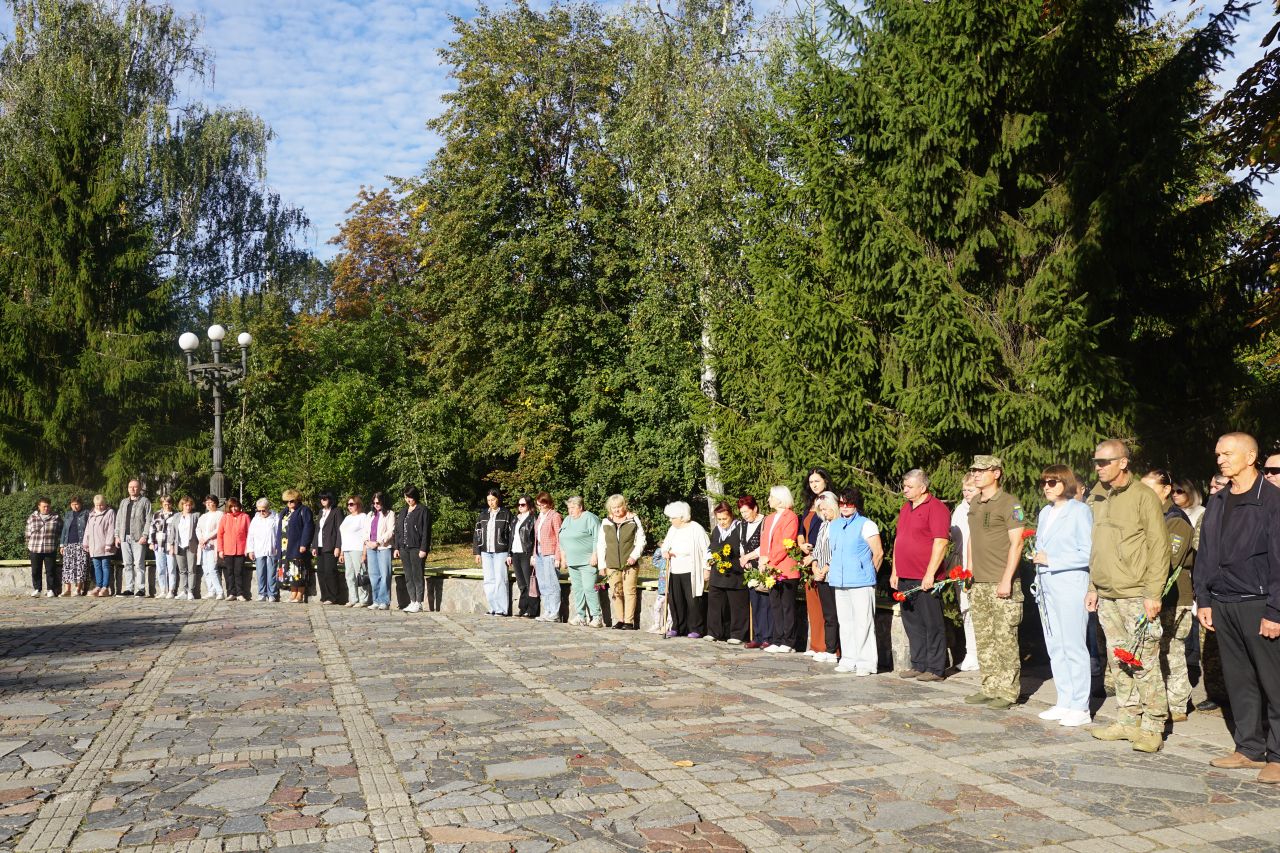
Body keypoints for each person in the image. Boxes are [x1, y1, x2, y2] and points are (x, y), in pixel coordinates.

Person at [1196, 432, 1280, 784]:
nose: (1220, 459)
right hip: (1223, 602)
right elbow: (1206, 552)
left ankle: (1278, 755)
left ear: (1250, 457)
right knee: (1239, 679)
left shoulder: (1272, 500)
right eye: (1218, 454)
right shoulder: (1218, 500)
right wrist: (1204, 598)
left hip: (1259, 604)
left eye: (1228, 453)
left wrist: (1275, 610)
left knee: (1274, 682)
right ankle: (1249, 748)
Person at [1086, 440, 1171, 754]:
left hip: (1136, 594)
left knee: (1144, 661)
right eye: (1096, 462)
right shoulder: (1097, 496)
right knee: (1118, 660)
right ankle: (1127, 719)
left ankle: (1153, 726)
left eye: (1104, 462)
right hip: (1107, 594)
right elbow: (1097, 547)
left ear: (1123, 462)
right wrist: (1093, 586)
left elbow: (1159, 546)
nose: (1098, 467)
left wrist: (1153, 592)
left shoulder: (1142, 496)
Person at [1029, 466, 1094, 728]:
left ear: (1065, 483)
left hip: (1070, 583)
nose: (1046, 486)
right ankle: (1064, 700)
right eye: (1044, 482)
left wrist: (1052, 560)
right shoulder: (1045, 512)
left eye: (1052, 482)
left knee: (1073, 645)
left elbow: (1087, 552)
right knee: (1055, 645)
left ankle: (1081, 706)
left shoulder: (1080, 511)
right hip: (1046, 583)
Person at [963, 455, 1026, 710]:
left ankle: (1008, 691)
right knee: (984, 638)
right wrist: (969, 571)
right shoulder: (975, 502)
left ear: (996, 473)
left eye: (982, 470)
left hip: (1002, 582)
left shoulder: (1010, 503)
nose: (976, 474)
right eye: (974, 470)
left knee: (1005, 639)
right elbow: (972, 537)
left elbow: (1017, 543)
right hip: (979, 582)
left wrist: (1006, 579)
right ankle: (989, 687)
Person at [1141, 469, 1197, 723]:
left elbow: (1170, 560)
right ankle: (1160, 701)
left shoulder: (1175, 520)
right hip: (1154, 593)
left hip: (1175, 596)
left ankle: (1177, 704)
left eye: (1149, 489)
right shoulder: (1149, 516)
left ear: (1166, 490)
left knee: (1172, 649)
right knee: (1157, 650)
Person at [891, 469, 953, 682]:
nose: (905, 490)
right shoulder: (905, 508)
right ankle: (919, 664)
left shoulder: (936, 508)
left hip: (925, 577)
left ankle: (936, 668)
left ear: (923, 487)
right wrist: (895, 570)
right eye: (904, 486)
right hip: (905, 575)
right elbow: (899, 540)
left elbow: (941, 542)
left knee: (931, 623)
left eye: (909, 486)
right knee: (912, 623)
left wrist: (930, 574)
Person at [827, 488, 884, 674]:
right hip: (840, 580)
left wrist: (868, 574)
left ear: (856, 504)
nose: (844, 507)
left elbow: (878, 553)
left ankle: (866, 663)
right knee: (845, 622)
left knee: (863, 623)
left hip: (861, 582)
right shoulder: (834, 525)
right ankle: (848, 659)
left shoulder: (867, 525)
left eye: (849, 503)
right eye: (841, 503)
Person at [799, 469, 838, 659]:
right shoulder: (809, 505)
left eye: (817, 481)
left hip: (822, 560)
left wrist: (813, 555)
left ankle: (828, 646)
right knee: (813, 604)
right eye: (811, 482)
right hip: (809, 559)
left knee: (827, 607)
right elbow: (801, 529)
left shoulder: (831, 502)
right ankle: (816, 644)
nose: (814, 485)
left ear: (825, 481)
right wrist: (801, 544)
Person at [760, 485, 801, 653]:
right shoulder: (769, 518)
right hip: (771, 567)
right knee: (775, 605)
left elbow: (786, 542)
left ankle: (789, 641)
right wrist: (763, 560)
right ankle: (777, 639)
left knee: (787, 606)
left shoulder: (791, 517)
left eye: (771, 496)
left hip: (786, 568)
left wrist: (770, 559)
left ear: (780, 498)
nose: (768, 499)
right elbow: (764, 541)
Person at [661, 501, 710, 639]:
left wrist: (707, 568)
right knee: (676, 600)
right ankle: (677, 627)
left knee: (693, 601)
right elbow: (665, 545)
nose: (670, 520)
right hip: (675, 570)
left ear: (682, 517)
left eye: (673, 518)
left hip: (691, 570)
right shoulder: (672, 529)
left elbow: (707, 550)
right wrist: (665, 552)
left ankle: (696, 628)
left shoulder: (696, 529)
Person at [597, 495, 646, 630]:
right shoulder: (605, 522)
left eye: (619, 506)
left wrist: (634, 556)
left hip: (630, 563)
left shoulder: (633, 519)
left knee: (629, 591)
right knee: (616, 592)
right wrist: (602, 565)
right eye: (614, 507)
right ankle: (620, 619)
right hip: (612, 563)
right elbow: (601, 545)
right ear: (610, 508)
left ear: (624, 506)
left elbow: (641, 540)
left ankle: (629, 622)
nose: (617, 510)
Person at [950, 476, 981, 671]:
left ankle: (982, 653)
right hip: (961, 567)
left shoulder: (984, 508)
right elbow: (955, 538)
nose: (967, 494)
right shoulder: (960, 510)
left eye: (971, 490)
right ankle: (972, 653)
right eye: (964, 490)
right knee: (966, 609)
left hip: (982, 567)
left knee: (980, 612)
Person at [707, 502, 748, 644]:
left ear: (731, 516)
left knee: (737, 606)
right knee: (716, 604)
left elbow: (743, 549)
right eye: (719, 519)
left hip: (735, 573)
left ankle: (737, 634)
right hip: (718, 573)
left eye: (725, 519)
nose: (722, 522)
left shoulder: (740, 528)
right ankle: (714, 632)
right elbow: (711, 548)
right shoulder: (716, 531)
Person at [558, 496, 602, 626]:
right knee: (577, 589)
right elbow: (562, 539)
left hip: (587, 561)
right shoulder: (567, 520)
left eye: (573, 508)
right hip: (572, 561)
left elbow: (598, 538)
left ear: (580, 507)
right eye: (568, 508)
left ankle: (596, 617)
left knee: (589, 588)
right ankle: (580, 616)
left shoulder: (590, 518)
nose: (570, 511)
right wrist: (563, 558)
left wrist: (595, 555)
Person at [473, 489, 513, 616]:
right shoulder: (483, 515)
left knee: (500, 579)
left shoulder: (506, 514)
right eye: (488, 500)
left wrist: (510, 553)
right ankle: (493, 607)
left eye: (493, 500)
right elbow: (477, 534)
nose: (491, 502)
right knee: (489, 580)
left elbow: (511, 535)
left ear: (498, 499)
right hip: (486, 552)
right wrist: (477, 552)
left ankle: (502, 609)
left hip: (501, 552)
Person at [737, 496, 769, 649]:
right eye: (742, 512)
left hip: (763, 565)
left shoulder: (765, 522)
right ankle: (757, 636)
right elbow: (742, 544)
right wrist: (744, 559)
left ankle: (768, 637)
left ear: (755, 508)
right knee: (755, 602)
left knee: (765, 603)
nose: (744, 515)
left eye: (746, 511)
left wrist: (749, 556)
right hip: (750, 567)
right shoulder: (743, 524)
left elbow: (765, 545)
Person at [395, 486, 433, 613]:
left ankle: (419, 602)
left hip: (417, 548)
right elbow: (398, 530)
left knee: (417, 575)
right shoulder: (403, 511)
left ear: (415, 496)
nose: (408, 500)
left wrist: (424, 548)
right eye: (406, 497)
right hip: (404, 548)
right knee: (408, 576)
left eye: (410, 497)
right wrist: (397, 547)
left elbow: (426, 531)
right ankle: (412, 601)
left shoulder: (423, 510)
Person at [114, 479, 151, 596]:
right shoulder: (124, 502)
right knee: (127, 564)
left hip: (138, 537)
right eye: (130, 487)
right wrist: (117, 535)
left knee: (139, 564)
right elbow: (118, 519)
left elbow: (149, 520)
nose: (132, 489)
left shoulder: (145, 502)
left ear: (139, 488)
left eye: (135, 487)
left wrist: (145, 535)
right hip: (124, 537)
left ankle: (141, 589)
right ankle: (129, 589)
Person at [277, 490, 315, 604]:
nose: (289, 503)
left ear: (297, 500)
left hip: (296, 546)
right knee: (289, 571)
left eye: (292, 501)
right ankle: (293, 593)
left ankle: (300, 595)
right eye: (287, 501)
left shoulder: (304, 510)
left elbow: (308, 527)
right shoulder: (284, 512)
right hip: (284, 547)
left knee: (297, 570)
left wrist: (304, 544)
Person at [507, 495, 539, 618]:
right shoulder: (515, 519)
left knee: (529, 582)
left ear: (529, 505)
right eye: (519, 504)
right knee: (521, 583)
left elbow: (535, 539)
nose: (520, 507)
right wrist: (509, 554)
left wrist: (533, 554)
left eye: (523, 504)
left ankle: (532, 609)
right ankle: (523, 607)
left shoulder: (533, 519)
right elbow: (511, 537)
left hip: (527, 553)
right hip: (515, 553)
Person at [533, 493, 563, 622]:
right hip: (539, 552)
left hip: (550, 553)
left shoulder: (555, 516)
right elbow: (536, 537)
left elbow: (560, 538)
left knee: (552, 584)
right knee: (543, 584)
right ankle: (547, 610)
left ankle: (554, 613)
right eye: (538, 504)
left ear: (549, 503)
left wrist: (558, 557)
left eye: (543, 504)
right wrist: (534, 555)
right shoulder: (540, 517)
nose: (540, 506)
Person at [365, 492, 396, 610]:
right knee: (374, 575)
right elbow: (365, 531)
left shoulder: (390, 514)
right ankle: (376, 600)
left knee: (385, 574)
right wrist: (367, 542)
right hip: (370, 547)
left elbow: (390, 531)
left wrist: (378, 542)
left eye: (378, 502)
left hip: (383, 547)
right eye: (374, 502)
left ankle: (384, 600)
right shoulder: (370, 514)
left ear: (383, 501)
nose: (376, 505)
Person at [312, 492, 344, 605]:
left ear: (330, 499)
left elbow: (340, 530)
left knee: (330, 571)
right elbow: (317, 530)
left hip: (331, 546)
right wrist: (314, 546)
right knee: (321, 571)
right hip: (320, 546)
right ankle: (325, 596)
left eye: (325, 498)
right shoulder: (321, 512)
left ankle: (332, 596)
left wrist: (338, 546)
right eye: (321, 499)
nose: (323, 501)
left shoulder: (337, 511)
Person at [217, 497, 251, 601]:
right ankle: (231, 593)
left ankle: (240, 593)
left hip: (240, 550)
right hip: (228, 550)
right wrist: (220, 549)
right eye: (231, 507)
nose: (234, 509)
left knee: (239, 572)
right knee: (229, 572)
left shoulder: (245, 517)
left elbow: (249, 534)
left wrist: (248, 548)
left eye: (236, 506)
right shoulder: (225, 518)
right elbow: (220, 534)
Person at [82, 495, 116, 597]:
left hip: (105, 546)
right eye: (97, 505)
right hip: (94, 546)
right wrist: (85, 542)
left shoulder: (110, 513)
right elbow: (87, 529)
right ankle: (98, 586)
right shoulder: (91, 514)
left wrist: (109, 543)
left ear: (105, 503)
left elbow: (111, 529)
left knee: (105, 566)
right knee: (96, 566)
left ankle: (105, 587)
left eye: (101, 505)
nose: (99, 507)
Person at [247, 498, 279, 602]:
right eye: (259, 510)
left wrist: (278, 547)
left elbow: (279, 534)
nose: (261, 512)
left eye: (263, 510)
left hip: (271, 549)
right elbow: (251, 535)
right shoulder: (255, 519)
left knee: (272, 573)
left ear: (268, 508)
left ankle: (272, 594)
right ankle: (262, 593)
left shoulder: (275, 518)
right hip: (259, 549)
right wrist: (250, 550)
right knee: (260, 573)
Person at [339, 495, 369, 608]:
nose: (349, 506)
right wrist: (342, 552)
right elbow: (343, 536)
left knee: (360, 574)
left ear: (358, 504)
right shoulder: (347, 518)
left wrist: (364, 552)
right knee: (349, 575)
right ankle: (353, 598)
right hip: (347, 549)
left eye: (351, 504)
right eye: (348, 504)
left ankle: (363, 599)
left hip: (358, 549)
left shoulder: (363, 517)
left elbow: (366, 535)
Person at [169, 496, 201, 601]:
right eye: (186, 505)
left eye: (190, 505)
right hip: (179, 545)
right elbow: (173, 531)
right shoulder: (176, 516)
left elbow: (199, 530)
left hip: (191, 545)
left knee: (191, 570)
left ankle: (191, 591)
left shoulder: (195, 516)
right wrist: (171, 545)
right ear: (182, 505)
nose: (188, 507)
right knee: (182, 570)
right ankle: (184, 591)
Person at [59, 496, 90, 597]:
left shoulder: (86, 513)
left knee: (80, 566)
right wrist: (62, 545)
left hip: (81, 544)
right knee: (67, 567)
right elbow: (64, 530)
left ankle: (78, 589)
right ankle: (67, 590)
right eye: (73, 504)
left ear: (81, 504)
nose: (75, 506)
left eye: (77, 504)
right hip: (68, 544)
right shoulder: (68, 514)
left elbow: (89, 529)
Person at [196, 495, 224, 600]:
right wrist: (201, 539)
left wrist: (206, 538)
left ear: (215, 503)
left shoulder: (219, 514)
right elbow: (198, 529)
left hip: (213, 544)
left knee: (212, 569)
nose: (208, 504)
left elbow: (218, 529)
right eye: (206, 502)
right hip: (203, 546)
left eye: (210, 502)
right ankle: (211, 591)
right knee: (206, 568)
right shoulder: (203, 516)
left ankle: (220, 591)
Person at [150, 496, 177, 598]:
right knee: (160, 568)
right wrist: (151, 542)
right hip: (159, 544)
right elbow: (152, 529)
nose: (167, 506)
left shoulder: (176, 515)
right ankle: (163, 590)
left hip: (171, 545)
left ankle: (171, 590)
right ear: (162, 504)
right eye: (165, 504)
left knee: (171, 568)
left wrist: (174, 544)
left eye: (169, 503)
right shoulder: (156, 514)